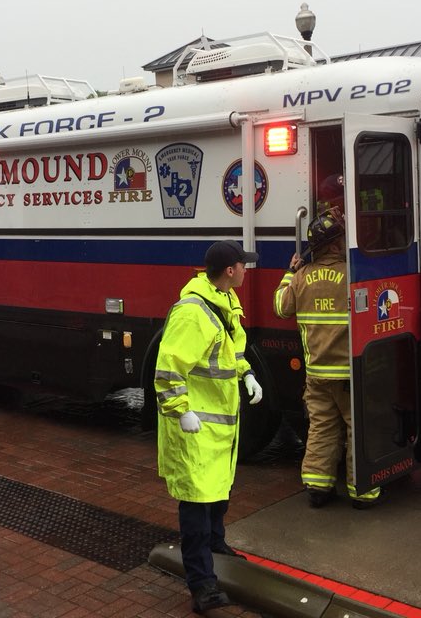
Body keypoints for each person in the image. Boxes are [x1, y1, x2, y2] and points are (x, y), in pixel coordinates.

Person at [155, 240, 264, 614]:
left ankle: (217, 546)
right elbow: (168, 368)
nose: (246, 270)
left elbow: (231, 353)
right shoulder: (193, 312)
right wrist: (181, 411)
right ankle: (202, 585)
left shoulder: (225, 303)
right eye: (243, 265)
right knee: (196, 507)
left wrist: (248, 373)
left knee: (218, 493)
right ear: (230, 270)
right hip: (195, 428)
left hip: (218, 427)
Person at [273, 208, 382, 510]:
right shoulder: (352, 275)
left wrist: (289, 273)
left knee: (321, 427)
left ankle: (318, 488)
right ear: (336, 244)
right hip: (349, 373)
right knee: (356, 428)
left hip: (316, 374)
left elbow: (280, 307)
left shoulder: (302, 277)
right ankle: (362, 492)